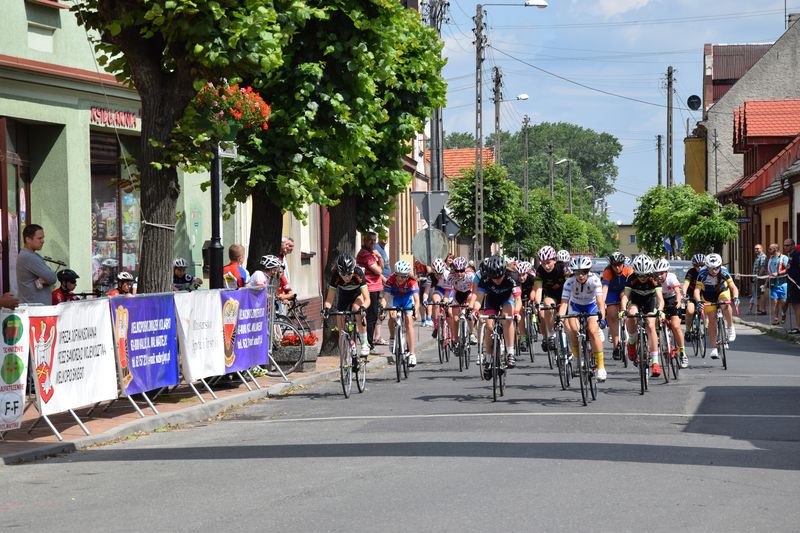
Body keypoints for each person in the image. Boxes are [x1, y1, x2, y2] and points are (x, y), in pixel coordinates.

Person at [556, 256, 607, 381]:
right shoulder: (569, 282)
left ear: (588, 271)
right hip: (576, 307)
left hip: (592, 307)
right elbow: (564, 304)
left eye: (584, 272)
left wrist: (602, 319)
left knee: (592, 330)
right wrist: (560, 320)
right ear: (573, 272)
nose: (581, 275)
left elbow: (600, 303)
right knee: (572, 329)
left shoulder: (594, 280)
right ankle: (577, 357)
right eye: (577, 272)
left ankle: (601, 367)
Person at [475, 255, 522, 374]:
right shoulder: (484, 279)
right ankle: (488, 356)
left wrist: (517, 313)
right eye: (493, 278)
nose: (497, 280)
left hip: (507, 299)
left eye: (499, 277)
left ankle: (510, 352)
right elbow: (479, 299)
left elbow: (518, 299)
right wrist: (475, 311)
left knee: (507, 319)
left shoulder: (513, 276)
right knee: (489, 326)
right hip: (492, 300)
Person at [621, 255, 665, 377]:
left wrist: (660, 310)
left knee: (651, 325)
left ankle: (655, 362)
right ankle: (631, 341)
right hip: (635, 300)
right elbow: (625, 296)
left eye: (645, 275)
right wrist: (623, 309)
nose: (642, 278)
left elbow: (660, 299)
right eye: (640, 275)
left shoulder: (654, 278)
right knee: (631, 314)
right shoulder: (631, 278)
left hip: (650, 302)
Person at [323, 253, 370, 357]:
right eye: (343, 274)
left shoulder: (358, 273)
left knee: (357, 309)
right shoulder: (335, 276)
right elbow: (329, 300)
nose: (346, 277)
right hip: (344, 297)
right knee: (341, 325)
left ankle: (364, 342)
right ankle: (344, 360)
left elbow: (367, 299)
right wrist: (326, 309)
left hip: (357, 296)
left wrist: (363, 308)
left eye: (349, 274)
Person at [694, 253, 739, 359]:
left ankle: (730, 326)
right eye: (711, 268)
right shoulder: (702, 273)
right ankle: (714, 348)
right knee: (712, 319)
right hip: (708, 295)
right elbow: (697, 290)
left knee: (725, 304)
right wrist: (699, 301)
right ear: (707, 267)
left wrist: (736, 297)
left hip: (721, 291)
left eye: (717, 268)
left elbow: (733, 287)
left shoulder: (724, 271)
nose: (714, 271)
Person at [382, 259, 420, 366]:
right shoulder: (391, 279)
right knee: (392, 316)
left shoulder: (412, 281)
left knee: (408, 321)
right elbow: (385, 297)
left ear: (407, 276)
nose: (400, 278)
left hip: (407, 299)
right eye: (398, 275)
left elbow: (417, 301)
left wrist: (415, 313)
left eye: (403, 276)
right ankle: (392, 337)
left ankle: (412, 353)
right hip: (396, 298)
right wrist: (382, 308)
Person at [654, 258, 687, 369]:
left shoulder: (671, 277)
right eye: (657, 273)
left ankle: (682, 353)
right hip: (659, 299)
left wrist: (678, 302)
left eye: (662, 273)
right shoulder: (654, 279)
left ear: (666, 272)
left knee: (675, 325)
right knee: (654, 319)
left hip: (672, 299)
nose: (659, 275)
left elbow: (678, 292)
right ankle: (658, 337)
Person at [534, 245, 568, 352]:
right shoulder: (540, 270)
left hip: (564, 294)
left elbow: (570, 284)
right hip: (550, 295)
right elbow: (538, 289)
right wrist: (537, 304)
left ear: (554, 260)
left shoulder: (562, 268)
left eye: (548, 262)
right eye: (543, 263)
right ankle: (551, 335)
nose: (546, 266)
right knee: (547, 305)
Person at [602, 251, 633, 360]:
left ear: (623, 263)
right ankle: (616, 347)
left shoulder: (629, 269)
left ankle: (630, 336)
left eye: (619, 264)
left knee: (626, 302)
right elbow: (604, 289)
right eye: (614, 265)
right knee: (611, 314)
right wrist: (602, 303)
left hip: (625, 290)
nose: (617, 267)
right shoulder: (608, 271)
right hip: (612, 292)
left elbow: (632, 286)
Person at [356, 231, 384, 352]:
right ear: (364, 240)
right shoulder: (365, 254)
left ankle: (368, 342)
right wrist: (378, 261)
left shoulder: (372, 253)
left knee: (374, 316)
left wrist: (380, 257)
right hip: (369, 288)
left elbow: (382, 266)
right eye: (370, 240)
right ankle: (369, 344)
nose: (373, 242)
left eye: (374, 240)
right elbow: (378, 270)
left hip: (375, 287)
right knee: (370, 317)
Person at [16, 224, 58, 305]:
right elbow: (52, 277)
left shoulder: (33, 255)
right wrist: (43, 279)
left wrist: (42, 279)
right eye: (39, 238)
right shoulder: (28, 257)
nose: (43, 241)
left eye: (43, 238)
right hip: (35, 309)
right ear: (28, 239)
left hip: (36, 307)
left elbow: (50, 276)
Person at [445, 256, 476, 346]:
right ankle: (456, 340)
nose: (459, 273)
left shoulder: (470, 276)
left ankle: (471, 334)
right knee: (455, 320)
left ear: (465, 269)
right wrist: (447, 300)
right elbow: (448, 290)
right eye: (457, 271)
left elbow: (475, 290)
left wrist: (473, 302)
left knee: (469, 315)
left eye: (462, 271)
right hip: (457, 295)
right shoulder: (450, 277)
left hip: (468, 294)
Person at [682, 254, 705, 341]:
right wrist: (684, 293)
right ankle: (687, 331)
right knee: (690, 310)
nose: (699, 267)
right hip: (691, 295)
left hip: (703, 295)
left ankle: (706, 326)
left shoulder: (707, 272)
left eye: (701, 265)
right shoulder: (691, 272)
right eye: (696, 265)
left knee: (707, 308)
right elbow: (686, 284)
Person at [428, 257, 453, 339]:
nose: (438, 276)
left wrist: (446, 301)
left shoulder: (447, 274)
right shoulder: (430, 276)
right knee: (436, 302)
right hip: (439, 289)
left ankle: (453, 334)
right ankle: (436, 327)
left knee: (449, 311)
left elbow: (447, 293)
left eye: (440, 274)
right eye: (436, 274)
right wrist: (424, 300)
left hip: (449, 290)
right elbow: (426, 292)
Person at [373, 236, 390, 346]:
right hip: (381, 282)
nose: (386, 239)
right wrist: (383, 278)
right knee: (381, 309)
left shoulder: (382, 249)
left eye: (387, 237)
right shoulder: (376, 248)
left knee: (382, 309)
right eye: (384, 237)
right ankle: (377, 337)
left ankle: (378, 337)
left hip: (385, 282)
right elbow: (377, 267)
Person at [766, 243, 788, 325]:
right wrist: (766, 283)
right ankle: (775, 318)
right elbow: (769, 271)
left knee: (783, 302)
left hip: (783, 284)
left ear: (775, 249)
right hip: (773, 284)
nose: (768, 250)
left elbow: (787, 269)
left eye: (770, 249)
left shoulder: (784, 258)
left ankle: (783, 314)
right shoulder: (771, 259)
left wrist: (778, 273)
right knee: (774, 301)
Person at [785, 238, 800, 333]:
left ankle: (799, 327)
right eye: (785, 245)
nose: (785, 247)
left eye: (787, 245)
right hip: (791, 283)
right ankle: (798, 326)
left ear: (793, 245)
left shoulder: (797, 255)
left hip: (796, 283)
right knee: (795, 305)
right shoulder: (791, 255)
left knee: (797, 305)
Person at [414, 258, 433, 326]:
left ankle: (423, 320)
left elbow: (416, 273)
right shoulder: (424, 260)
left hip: (420, 281)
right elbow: (429, 271)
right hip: (426, 280)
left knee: (421, 301)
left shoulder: (416, 261)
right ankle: (429, 319)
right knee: (429, 300)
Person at [752, 244, 768, 314]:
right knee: (759, 293)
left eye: (758, 249)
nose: (756, 250)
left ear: (762, 249)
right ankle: (760, 309)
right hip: (757, 278)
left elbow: (763, 267)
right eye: (755, 249)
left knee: (762, 293)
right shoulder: (758, 257)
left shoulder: (763, 256)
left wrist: (758, 276)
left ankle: (762, 310)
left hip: (761, 278)